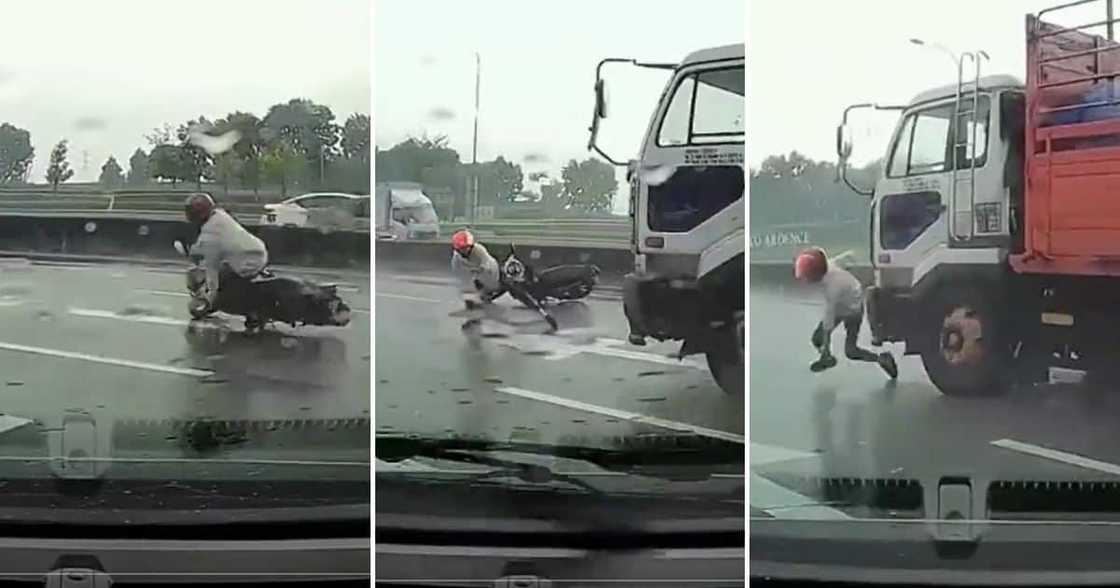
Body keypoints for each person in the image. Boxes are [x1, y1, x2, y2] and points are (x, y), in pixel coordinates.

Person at [794, 247, 897, 379]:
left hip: (853, 310)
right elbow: (842, 259)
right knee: (817, 339)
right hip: (844, 302)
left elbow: (828, 321)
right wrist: (850, 256)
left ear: (815, 274)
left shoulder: (832, 288)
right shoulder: (828, 266)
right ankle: (827, 357)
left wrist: (826, 348)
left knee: (851, 351)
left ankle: (882, 359)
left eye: (806, 276)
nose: (804, 280)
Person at [184, 193, 269, 329]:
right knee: (226, 272)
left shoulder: (210, 234)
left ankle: (251, 311)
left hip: (247, 261)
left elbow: (211, 269)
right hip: (257, 251)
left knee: (224, 280)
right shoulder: (219, 215)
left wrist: (211, 296)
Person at [450, 229, 558, 331]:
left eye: (467, 247)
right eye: (461, 249)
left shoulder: (479, 250)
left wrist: (478, 270)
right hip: (482, 281)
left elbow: (486, 264)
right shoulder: (456, 260)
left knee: (519, 292)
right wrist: (472, 291)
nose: (465, 251)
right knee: (469, 297)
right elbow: (462, 279)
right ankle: (473, 319)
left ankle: (544, 315)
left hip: (497, 275)